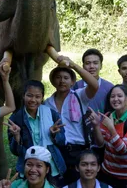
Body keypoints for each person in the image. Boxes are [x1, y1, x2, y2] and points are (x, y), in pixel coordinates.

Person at [44, 55, 99, 185]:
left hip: (78, 151)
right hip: (57, 152)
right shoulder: (47, 104)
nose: (62, 81)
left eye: (66, 78)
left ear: (72, 82)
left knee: (79, 184)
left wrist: (73, 65)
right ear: (52, 81)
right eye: (58, 77)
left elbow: (94, 85)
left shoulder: (80, 96)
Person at [6, 80, 66, 186]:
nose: (33, 100)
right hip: (30, 169)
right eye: (29, 95)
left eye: (37, 96)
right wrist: (17, 137)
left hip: (52, 167)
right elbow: (15, 151)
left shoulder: (52, 115)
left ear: (42, 97)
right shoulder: (16, 119)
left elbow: (62, 142)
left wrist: (54, 134)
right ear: (23, 96)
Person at [89, 85, 127, 188]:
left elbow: (122, 149)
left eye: (119, 96)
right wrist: (96, 125)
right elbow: (101, 144)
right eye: (112, 96)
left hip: (126, 177)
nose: (115, 99)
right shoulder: (108, 116)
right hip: (107, 173)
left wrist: (112, 129)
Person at [73, 49, 114, 113]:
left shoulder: (109, 87)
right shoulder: (75, 87)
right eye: (88, 63)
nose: (92, 66)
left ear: (101, 66)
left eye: (95, 63)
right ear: (83, 66)